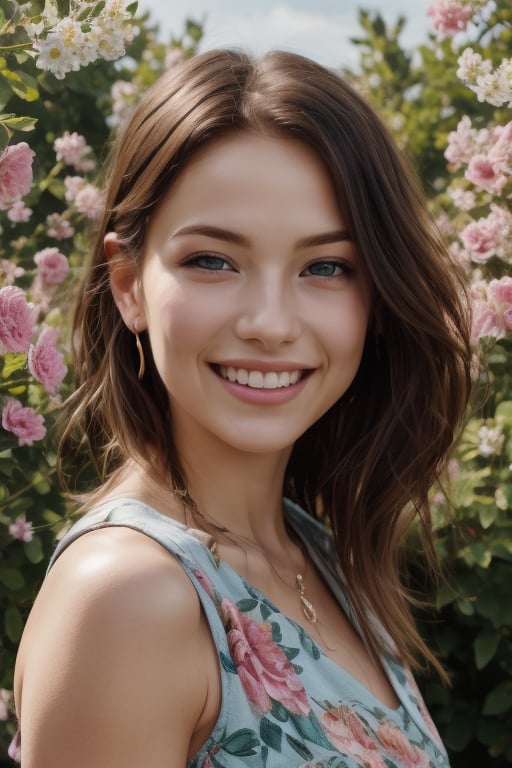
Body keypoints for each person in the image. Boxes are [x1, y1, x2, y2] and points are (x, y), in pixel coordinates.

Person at [13, 49, 472, 767]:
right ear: (128, 283)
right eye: (213, 260)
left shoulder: (316, 552)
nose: (270, 322)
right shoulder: (126, 599)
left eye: (326, 267)